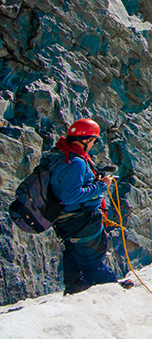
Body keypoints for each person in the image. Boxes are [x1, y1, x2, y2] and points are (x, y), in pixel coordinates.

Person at [48, 118, 126, 294]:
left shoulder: (60, 155)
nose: (93, 144)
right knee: (92, 259)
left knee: (73, 251)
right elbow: (71, 196)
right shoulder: (76, 162)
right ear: (86, 139)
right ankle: (111, 290)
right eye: (93, 140)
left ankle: (73, 285)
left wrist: (92, 181)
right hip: (82, 220)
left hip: (64, 219)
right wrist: (101, 186)